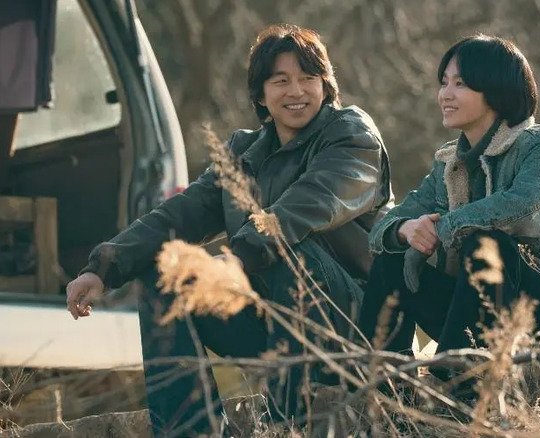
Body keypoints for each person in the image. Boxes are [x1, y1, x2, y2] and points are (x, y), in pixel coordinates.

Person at [65, 24, 393, 436]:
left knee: (290, 250)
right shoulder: (243, 152)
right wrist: (104, 268)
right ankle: (188, 431)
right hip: (271, 324)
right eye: (281, 81)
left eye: (309, 78)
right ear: (261, 95)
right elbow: (179, 215)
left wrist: (238, 259)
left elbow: (307, 205)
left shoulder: (352, 135)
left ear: (325, 86)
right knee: (167, 274)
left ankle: (286, 425)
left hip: (356, 326)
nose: (296, 91)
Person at [359, 34, 540, 395]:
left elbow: (527, 207)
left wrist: (447, 226)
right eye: (444, 83)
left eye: (461, 84)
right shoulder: (449, 164)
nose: (445, 94)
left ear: (496, 90)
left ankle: (461, 388)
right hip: (478, 317)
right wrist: (407, 229)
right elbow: (382, 230)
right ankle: (386, 395)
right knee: (391, 261)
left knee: (487, 243)